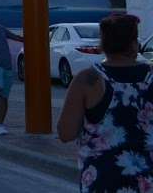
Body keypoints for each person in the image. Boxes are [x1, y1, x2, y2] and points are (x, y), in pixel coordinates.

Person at [57, 14, 153, 192]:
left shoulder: (87, 80)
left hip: (102, 180)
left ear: (103, 44)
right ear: (134, 44)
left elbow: (66, 133)